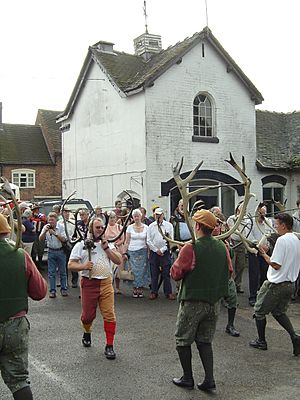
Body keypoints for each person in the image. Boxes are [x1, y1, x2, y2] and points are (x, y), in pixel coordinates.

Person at [170, 209, 228, 392]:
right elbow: (230, 272)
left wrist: (181, 255)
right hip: (214, 303)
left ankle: (188, 378)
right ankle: (209, 380)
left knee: (182, 339)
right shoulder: (222, 246)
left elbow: (176, 274)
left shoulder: (190, 247)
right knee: (205, 340)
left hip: (193, 301)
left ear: (197, 226)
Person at [0, 213, 47, 400]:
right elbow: (39, 292)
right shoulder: (21, 255)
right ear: (7, 231)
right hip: (15, 325)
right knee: (19, 381)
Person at [68, 217, 122, 360]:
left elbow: (118, 260)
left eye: (102, 227)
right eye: (97, 227)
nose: (100, 229)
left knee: (109, 315)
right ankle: (87, 332)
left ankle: (109, 346)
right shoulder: (81, 245)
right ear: (91, 229)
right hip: (89, 284)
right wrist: (83, 266)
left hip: (106, 284)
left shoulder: (108, 244)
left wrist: (106, 249)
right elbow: (71, 265)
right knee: (87, 316)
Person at [250, 213, 300, 356]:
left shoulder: (282, 240)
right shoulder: (296, 240)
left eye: (277, 224)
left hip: (276, 284)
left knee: (259, 311)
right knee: (278, 312)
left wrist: (263, 253)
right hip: (290, 284)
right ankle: (295, 337)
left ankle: (261, 341)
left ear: (284, 225)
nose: (275, 227)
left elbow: (276, 264)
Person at [213, 216, 240, 337]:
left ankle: (230, 325)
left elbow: (231, 256)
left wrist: (229, 249)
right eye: (215, 225)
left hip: (226, 277)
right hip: (213, 278)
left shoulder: (224, 242)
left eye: (219, 225)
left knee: (233, 299)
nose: (217, 228)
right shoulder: (205, 241)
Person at [146, 208, 176, 300]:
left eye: (159, 215)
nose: (158, 216)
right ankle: (154, 292)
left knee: (166, 273)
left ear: (163, 215)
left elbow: (170, 239)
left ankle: (168, 292)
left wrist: (162, 250)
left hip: (165, 252)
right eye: (156, 215)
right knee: (154, 273)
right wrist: (156, 250)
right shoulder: (151, 226)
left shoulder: (169, 226)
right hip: (154, 253)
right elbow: (148, 240)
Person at [247, 203, 273, 306]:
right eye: (260, 213)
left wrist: (268, 246)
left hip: (266, 251)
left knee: (265, 273)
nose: (262, 216)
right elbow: (249, 236)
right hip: (254, 251)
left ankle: (262, 295)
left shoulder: (268, 222)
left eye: (264, 214)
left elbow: (271, 234)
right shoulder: (250, 222)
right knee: (254, 274)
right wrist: (258, 246)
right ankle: (252, 296)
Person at [39, 212, 68, 298]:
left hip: (60, 251)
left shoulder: (61, 227)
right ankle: (52, 290)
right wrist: (45, 231)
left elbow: (64, 239)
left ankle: (64, 289)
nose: (51, 222)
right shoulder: (46, 227)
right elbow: (40, 239)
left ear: (56, 220)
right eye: (49, 220)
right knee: (51, 272)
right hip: (51, 251)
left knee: (62, 271)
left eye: (52, 220)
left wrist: (55, 233)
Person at [123, 208, 149, 298]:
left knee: (142, 270)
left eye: (138, 216)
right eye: (135, 216)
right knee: (133, 270)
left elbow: (148, 241)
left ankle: (140, 288)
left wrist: (149, 253)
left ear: (141, 217)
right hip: (132, 251)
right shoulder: (129, 228)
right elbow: (126, 241)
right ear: (133, 217)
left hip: (143, 250)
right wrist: (124, 253)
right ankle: (134, 288)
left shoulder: (146, 227)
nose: (136, 218)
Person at [227, 202, 249, 293]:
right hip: (233, 243)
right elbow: (232, 230)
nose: (245, 211)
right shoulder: (231, 219)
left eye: (246, 209)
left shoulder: (247, 220)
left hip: (242, 243)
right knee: (231, 266)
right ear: (238, 209)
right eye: (243, 208)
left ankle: (238, 284)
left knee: (241, 265)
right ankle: (229, 286)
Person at [104, 211, 125, 294]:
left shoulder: (119, 227)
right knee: (109, 269)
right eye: (110, 218)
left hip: (118, 249)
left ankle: (117, 287)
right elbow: (104, 238)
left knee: (117, 270)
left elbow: (123, 239)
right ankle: (109, 287)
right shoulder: (105, 227)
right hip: (108, 249)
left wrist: (117, 244)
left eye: (113, 217)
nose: (112, 219)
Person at [72, 208, 90, 287]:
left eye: (83, 214)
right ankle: (82, 288)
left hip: (89, 247)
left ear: (87, 215)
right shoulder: (78, 223)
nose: (81, 216)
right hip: (81, 246)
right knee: (81, 271)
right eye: (80, 215)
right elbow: (74, 235)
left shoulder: (92, 223)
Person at [30, 204, 47, 269]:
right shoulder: (30, 216)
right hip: (33, 234)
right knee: (34, 249)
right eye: (35, 209)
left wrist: (38, 218)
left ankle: (40, 263)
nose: (36, 210)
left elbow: (45, 220)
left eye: (37, 209)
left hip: (41, 233)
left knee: (41, 248)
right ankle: (34, 264)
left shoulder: (42, 215)